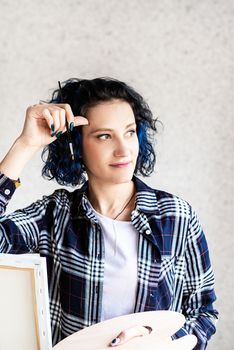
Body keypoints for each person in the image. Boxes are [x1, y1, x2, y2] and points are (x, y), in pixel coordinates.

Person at [0, 77, 218, 349]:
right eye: (104, 136)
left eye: (129, 132)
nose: (123, 148)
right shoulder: (55, 216)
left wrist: (157, 339)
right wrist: (25, 144)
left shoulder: (176, 217)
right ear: (77, 146)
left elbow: (203, 313)